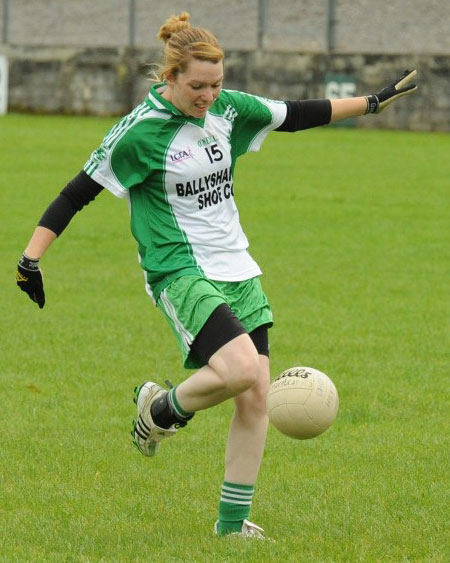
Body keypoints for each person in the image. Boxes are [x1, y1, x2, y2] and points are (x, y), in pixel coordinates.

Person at [16, 12, 417, 539]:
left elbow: (294, 113)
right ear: (171, 78)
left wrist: (371, 101)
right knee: (244, 369)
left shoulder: (228, 109)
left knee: (254, 398)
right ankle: (160, 412)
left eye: (217, 84)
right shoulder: (140, 132)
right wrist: (30, 259)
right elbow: (78, 191)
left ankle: (231, 527)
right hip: (178, 269)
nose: (209, 96)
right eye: (198, 86)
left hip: (237, 266)